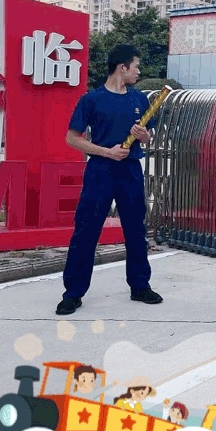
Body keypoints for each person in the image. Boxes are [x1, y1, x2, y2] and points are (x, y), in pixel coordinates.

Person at [56, 45, 162, 316]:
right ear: (122, 67)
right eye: (136, 66)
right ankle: (73, 293)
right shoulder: (92, 100)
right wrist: (107, 152)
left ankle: (140, 286)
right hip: (100, 170)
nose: (138, 72)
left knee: (135, 229)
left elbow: (149, 136)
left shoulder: (139, 98)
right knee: (86, 230)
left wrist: (144, 136)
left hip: (130, 171)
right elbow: (72, 139)